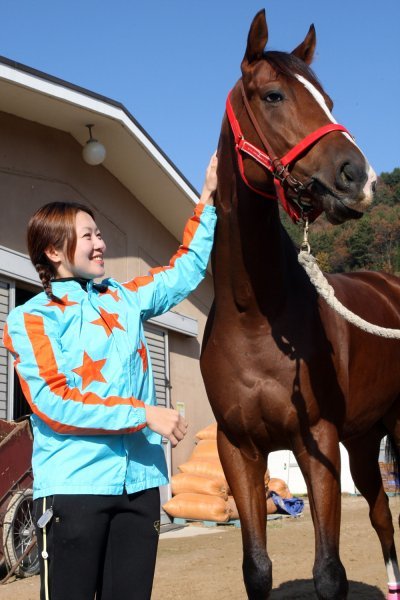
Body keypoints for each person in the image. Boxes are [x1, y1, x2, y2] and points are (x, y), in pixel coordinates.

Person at [3, 154, 218, 600]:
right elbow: (53, 401)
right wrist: (143, 415)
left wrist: (210, 198)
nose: (100, 243)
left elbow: (184, 271)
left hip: (139, 489)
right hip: (73, 492)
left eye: (99, 233)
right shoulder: (31, 320)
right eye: (88, 236)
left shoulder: (125, 297)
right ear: (53, 250)